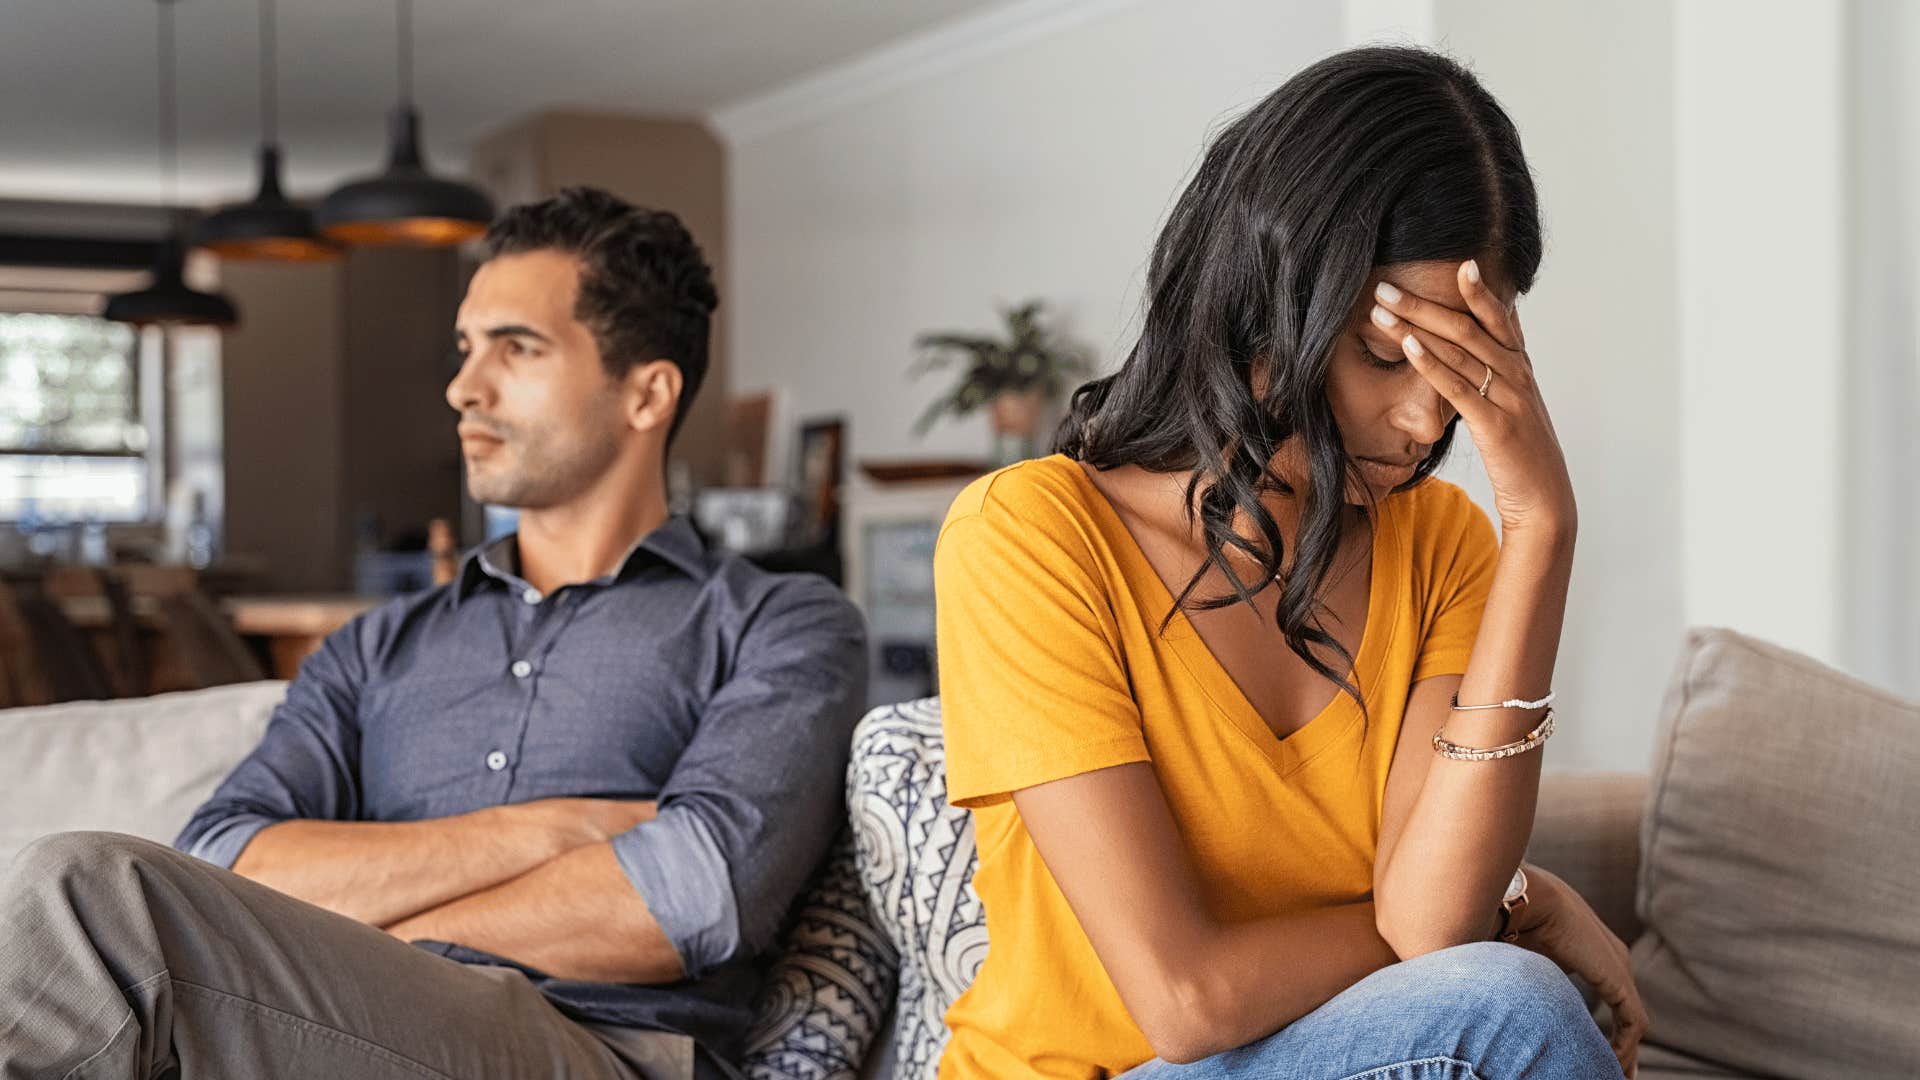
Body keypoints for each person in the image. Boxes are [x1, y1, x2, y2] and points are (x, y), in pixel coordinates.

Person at [0, 187, 867, 1080]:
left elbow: (690, 893)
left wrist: (353, 935)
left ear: (646, 394)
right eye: (466, 348)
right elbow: (224, 856)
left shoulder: (782, 623)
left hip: (603, 1051)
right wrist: (542, 834)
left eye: (516, 348)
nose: (463, 386)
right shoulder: (377, 647)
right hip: (340, 1033)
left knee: (90, 893)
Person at [933, 47, 1647, 1079]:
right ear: (1262, 303)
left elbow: (1432, 923)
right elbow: (1185, 1000)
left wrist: (1542, 523)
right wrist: (1515, 908)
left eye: (1465, 367)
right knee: (1507, 1005)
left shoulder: (1441, 541)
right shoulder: (1030, 538)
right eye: (1384, 354)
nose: (1424, 417)